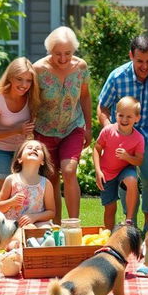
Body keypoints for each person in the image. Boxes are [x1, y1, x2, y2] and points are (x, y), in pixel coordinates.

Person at [97, 35, 148, 231]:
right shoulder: (117, 77)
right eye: (140, 61)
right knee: (126, 181)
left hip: (146, 135)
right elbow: (103, 106)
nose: (145, 66)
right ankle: (129, 223)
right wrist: (109, 129)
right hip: (121, 139)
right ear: (131, 55)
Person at [33, 26, 91, 223]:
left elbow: (85, 96)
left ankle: (73, 224)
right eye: (58, 54)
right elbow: (31, 102)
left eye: (68, 53)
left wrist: (89, 128)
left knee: (69, 170)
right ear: (50, 50)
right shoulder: (38, 69)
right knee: (52, 178)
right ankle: (56, 226)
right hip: (44, 130)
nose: (64, 58)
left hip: (72, 127)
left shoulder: (81, 67)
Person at [0, 57, 39, 191]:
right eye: (19, 79)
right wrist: (17, 130)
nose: (24, 85)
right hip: (0, 150)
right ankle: (1, 213)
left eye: (28, 80)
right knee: (5, 190)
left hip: (21, 151)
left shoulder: (31, 98)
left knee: (22, 189)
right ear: (10, 77)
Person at [93, 96, 145, 228]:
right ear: (115, 114)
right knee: (110, 208)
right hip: (107, 172)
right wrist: (98, 171)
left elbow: (139, 160)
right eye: (121, 115)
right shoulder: (108, 131)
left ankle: (129, 219)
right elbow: (97, 149)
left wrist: (127, 157)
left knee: (132, 180)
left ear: (137, 118)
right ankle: (110, 235)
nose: (124, 120)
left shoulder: (139, 138)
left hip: (125, 169)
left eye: (129, 116)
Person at [0, 139, 55, 231]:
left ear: (42, 161)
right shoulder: (11, 180)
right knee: (29, 230)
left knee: (47, 230)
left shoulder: (46, 184)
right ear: (19, 159)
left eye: (38, 149)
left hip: (38, 222)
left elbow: (51, 212)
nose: (34, 149)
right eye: (29, 148)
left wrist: (34, 217)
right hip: (13, 224)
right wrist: (11, 202)